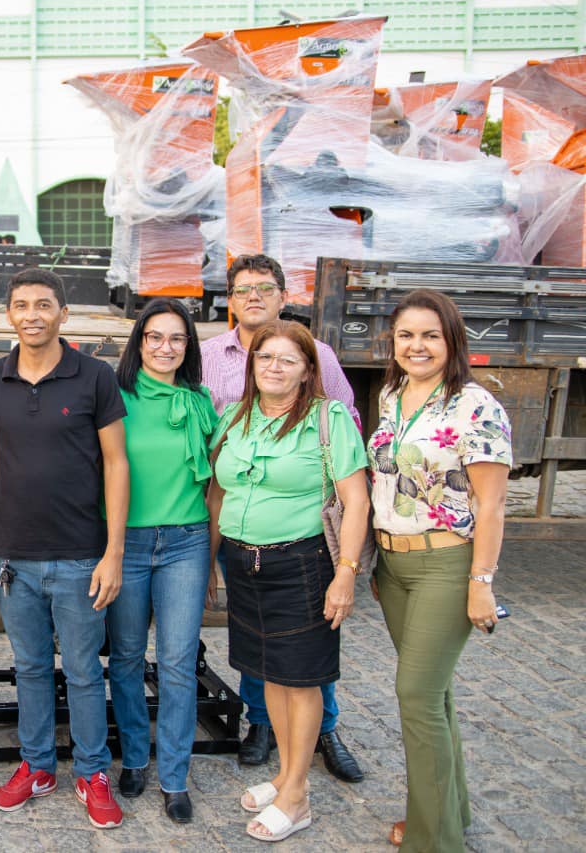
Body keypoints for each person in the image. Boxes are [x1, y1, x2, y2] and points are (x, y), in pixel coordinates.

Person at [0, 268, 129, 830]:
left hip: (81, 555)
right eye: (21, 305)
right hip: (14, 557)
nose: (32, 315)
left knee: (83, 670)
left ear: (64, 313)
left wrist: (113, 552)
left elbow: (116, 464)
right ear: (8, 315)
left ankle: (92, 772)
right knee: (31, 667)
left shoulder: (95, 377)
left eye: (43, 304)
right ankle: (36, 766)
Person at [200, 253, 364, 780]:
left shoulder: (319, 359)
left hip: (301, 539)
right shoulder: (208, 359)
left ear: (283, 295)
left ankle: (324, 730)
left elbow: (343, 427)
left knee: (307, 650)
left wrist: (347, 566)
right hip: (240, 536)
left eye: (265, 288)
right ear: (229, 298)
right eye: (243, 289)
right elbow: (214, 469)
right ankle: (262, 724)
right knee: (258, 644)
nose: (254, 297)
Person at [367, 290, 511, 852]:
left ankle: (433, 840)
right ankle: (450, 814)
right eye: (406, 335)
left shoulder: (476, 406)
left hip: (446, 565)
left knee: (416, 695)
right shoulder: (392, 394)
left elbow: (492, 506)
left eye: (430, 335)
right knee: (435, 694)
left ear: (452, 340)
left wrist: (481, 584)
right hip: (394, 564)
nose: (417, 346)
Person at [104, 298, 216, 823]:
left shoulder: (201, 400)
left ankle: (174, 776)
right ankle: (134, 757)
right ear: (139, 342)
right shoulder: (115, 397)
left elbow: (216, 483)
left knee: (176, 662)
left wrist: (213, 554)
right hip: (125, 543)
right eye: (155, 337)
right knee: (126, 657)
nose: (165, 347)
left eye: (176, 338)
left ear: (188, 346)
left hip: (186, 543)